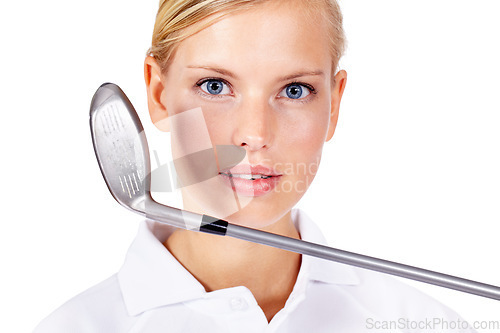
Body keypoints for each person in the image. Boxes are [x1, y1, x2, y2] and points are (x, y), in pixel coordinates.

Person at [34, 0, 477, 332]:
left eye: (295, 90)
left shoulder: (420, 321)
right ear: (158, 93)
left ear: (335, 103)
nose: (255, 134)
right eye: (214, 85)